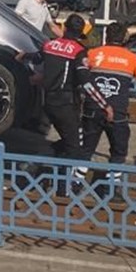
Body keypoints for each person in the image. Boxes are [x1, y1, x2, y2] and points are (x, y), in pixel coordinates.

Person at [22, 14, 109, 184]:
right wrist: (104, 105)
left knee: (70, 141)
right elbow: (86, 81)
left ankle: (38, 165)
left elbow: (36, 58)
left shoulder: (49, 45)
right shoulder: (78, 51)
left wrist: (22, 55)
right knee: (74, 148)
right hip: (66, 104)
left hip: (48, 101)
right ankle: (59, 186)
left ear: (65, 28)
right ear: (80, 32)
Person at [82, 23, 136, 179]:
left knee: (86, 149)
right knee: (118, 151)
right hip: (118, 112)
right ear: (124, 38)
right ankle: (112, 188)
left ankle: (74, 184)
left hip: (92, 109)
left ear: (107, 36)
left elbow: (81, 78)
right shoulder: (132, 59)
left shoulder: (93, 54)